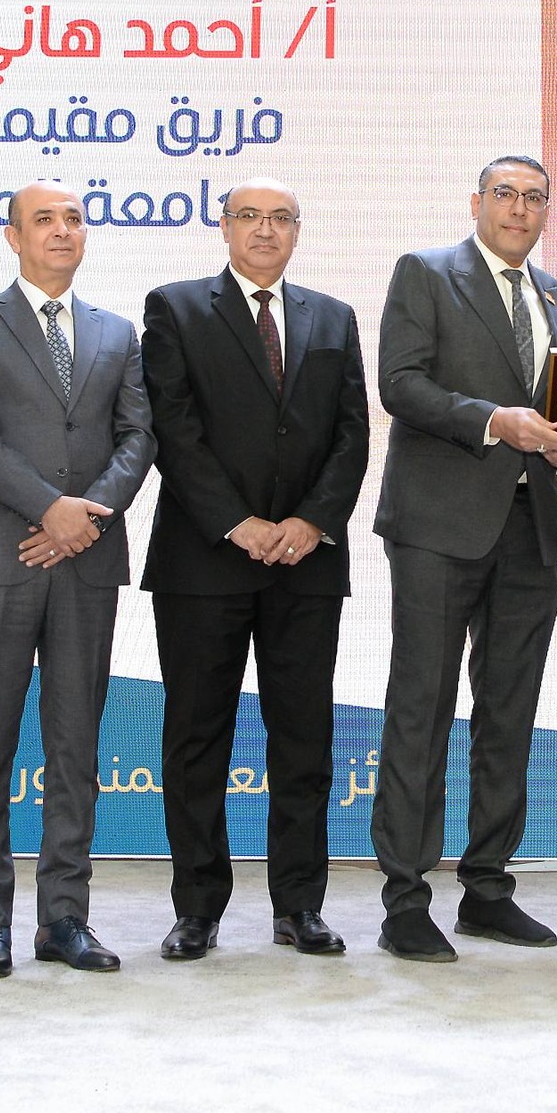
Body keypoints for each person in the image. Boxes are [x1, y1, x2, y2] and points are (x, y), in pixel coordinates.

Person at [139, 177, 369, 962]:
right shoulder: (174, 307)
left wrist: (310, 521)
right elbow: (173, 429)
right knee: (196, 740)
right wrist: (238, 523)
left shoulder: (332, 316)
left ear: (297, 231)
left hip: (306, 563)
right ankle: (197, 909)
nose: (264, 230)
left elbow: (352, 435)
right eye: (249, 216)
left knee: (304, 741)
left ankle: (300, 905)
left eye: (280, 218)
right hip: (204, 560)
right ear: (224, 226)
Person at [0, 180, 155, 978]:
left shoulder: (116, 331)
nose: (62, 230)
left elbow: (139, 436)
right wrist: (48, 509)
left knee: (75, 745)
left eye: (73, 218)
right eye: (44, 220)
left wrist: (87, 515)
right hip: (0, 559)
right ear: (14, 235)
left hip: (86, 560)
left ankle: (64, 917)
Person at [370, 155, 557, 962]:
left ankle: (488, 887)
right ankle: (405, 898)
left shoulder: (556, 295)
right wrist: (497, 420)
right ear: (477, 202)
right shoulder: (426, 273)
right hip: (437, 525)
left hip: (530, 528)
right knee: (420, 708)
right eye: (505, 194)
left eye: (534, 198)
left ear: (546, 211)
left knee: (509, 712)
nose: (519, 209)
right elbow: (401, 384)